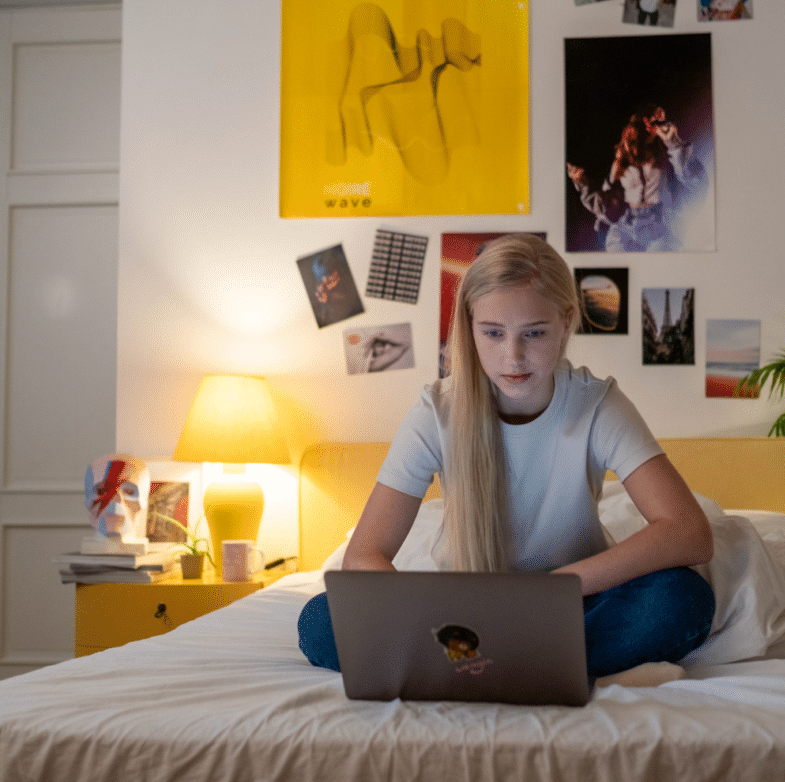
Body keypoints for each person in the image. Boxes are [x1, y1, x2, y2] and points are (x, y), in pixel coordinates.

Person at [298, 234, 715, 686]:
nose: (512, 356)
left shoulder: (599, 406)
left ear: (566, 323)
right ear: (470, 326)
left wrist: (554, 588)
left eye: (534, 333)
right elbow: (363, 556)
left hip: (573, 602)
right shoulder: (435, 413)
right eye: (493, 333)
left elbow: (688, 531)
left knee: (682, 599)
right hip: (458, 617)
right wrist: (420, 613)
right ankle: (534, 664)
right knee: (320, 620)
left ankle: (475, 668)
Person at [567, 104, 707, 252]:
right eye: (631, 141)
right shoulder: (620, 164)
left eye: (640, 138)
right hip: (626, 227)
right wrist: (583, 183)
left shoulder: (665, 157)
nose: (634, 149)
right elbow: (605, 205)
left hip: (660, 225)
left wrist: (673, 142)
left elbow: (696, 185)